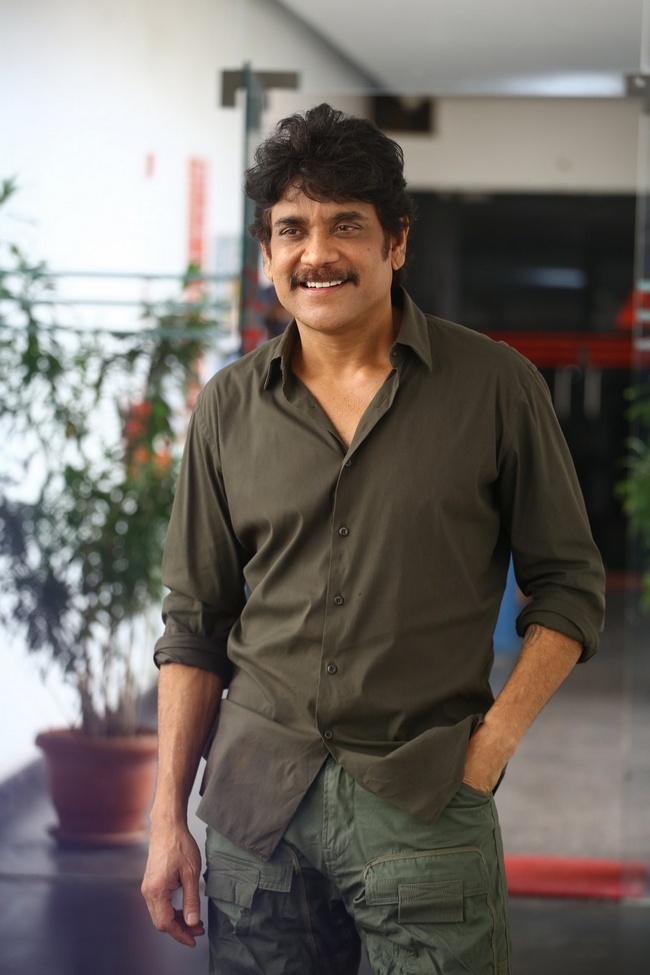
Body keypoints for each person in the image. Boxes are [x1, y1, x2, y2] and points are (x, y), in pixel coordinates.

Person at [142, 103, 605, 975]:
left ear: (397, 240)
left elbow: (571, 586)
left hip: (425, 805)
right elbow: (194, 622)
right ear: (267, 252)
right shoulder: (228, 406)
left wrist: (491, 747)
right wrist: (167, 816)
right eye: (292, 229)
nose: (317, 252)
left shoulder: (496, 386)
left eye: (346, 225)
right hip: (255, 820)